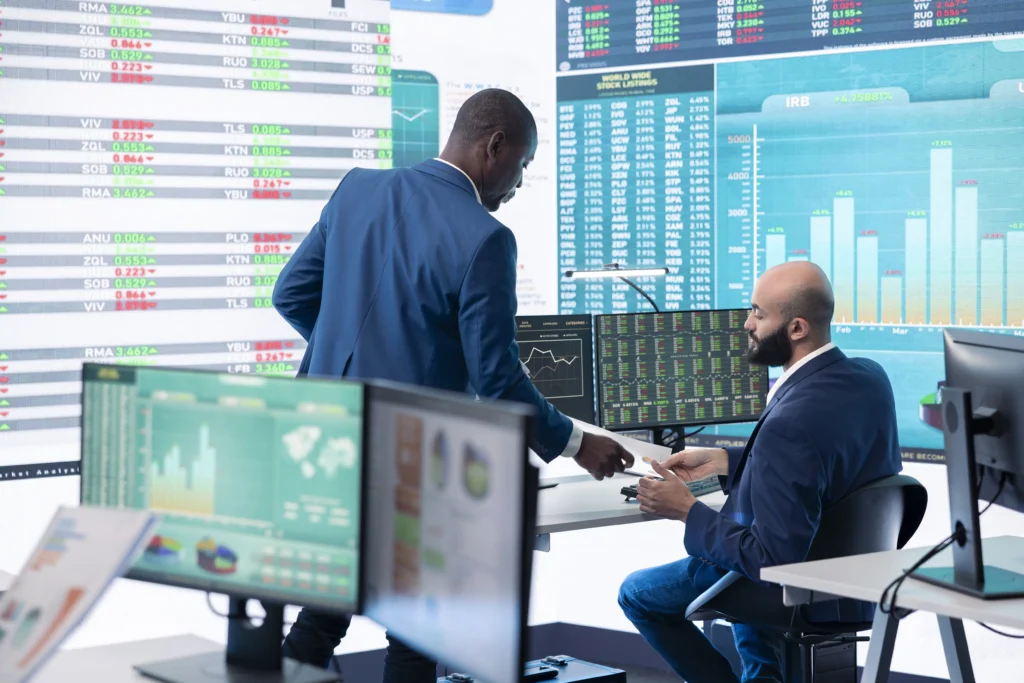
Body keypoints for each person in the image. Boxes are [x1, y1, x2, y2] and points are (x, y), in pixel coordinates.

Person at [272, 88, 634, 682]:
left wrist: (353, 356)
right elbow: (495, 378)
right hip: (414, 456)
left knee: (321, 613)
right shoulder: (485, 237)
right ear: (495, 146)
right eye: (522, 165)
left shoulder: (357, 189)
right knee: (416, 634)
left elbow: (290, 295)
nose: (517, 185)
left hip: (324, 442)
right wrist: (574, 441)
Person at [617, 261, 902, 683]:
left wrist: (687, 509)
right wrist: (731, 463)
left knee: (636, 594)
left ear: (797, 329)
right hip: (852, 581)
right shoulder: (868, 378)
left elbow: (771, 558)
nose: (747, 324)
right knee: (738, 547)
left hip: (794, 587)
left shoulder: (791, 421)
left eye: (758, 314)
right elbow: (824, 469)